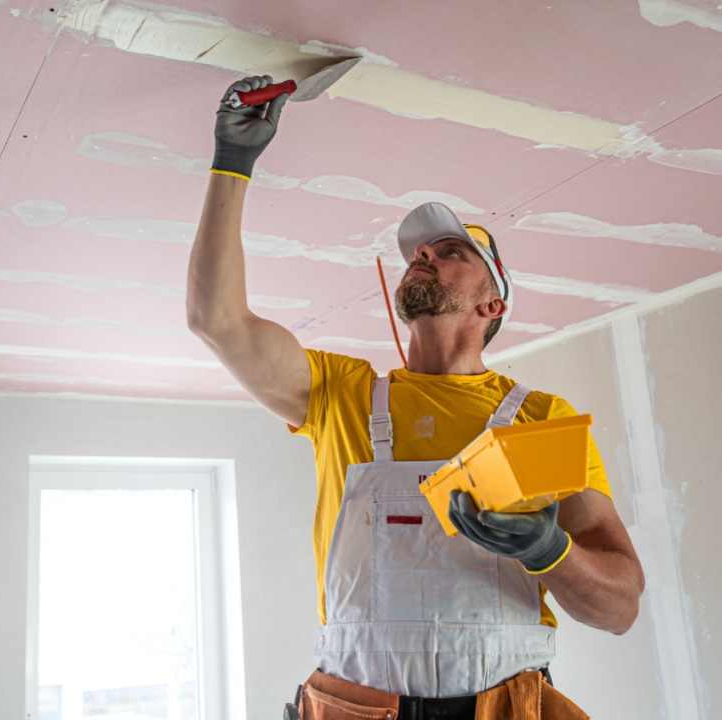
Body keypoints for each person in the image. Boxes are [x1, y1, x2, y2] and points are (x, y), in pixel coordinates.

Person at [187, 76, 645, 720]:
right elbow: (216, 320)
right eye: (421, 251)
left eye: (450, 251)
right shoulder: (342, 397)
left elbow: (620, 609)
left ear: (492, 304)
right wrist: (231, 164)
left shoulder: (535, 422)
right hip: (357, 706)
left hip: (504, 706)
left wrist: (551, 553)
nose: (423, 252)